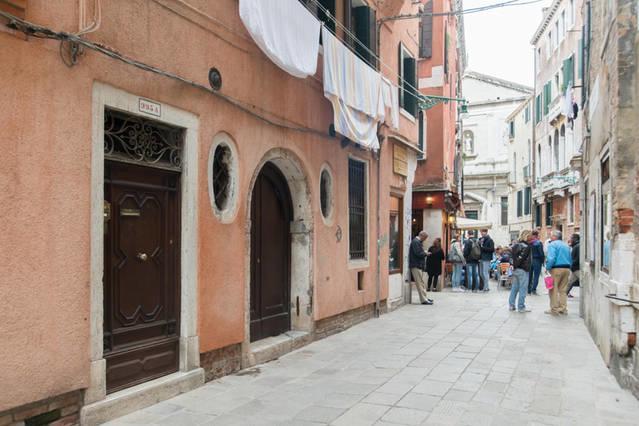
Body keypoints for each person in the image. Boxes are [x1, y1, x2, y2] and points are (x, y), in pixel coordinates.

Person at [545, 230, 572, 315]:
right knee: (563, 290)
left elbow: (551, 258)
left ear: (555, 237)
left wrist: (548, 267)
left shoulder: (552, 244)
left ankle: (554, 309)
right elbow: (570, 258)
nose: (550, 237)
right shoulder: (566, 245)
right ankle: (563, 308)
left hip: (556, 268)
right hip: (567, 268)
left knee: (553, 290)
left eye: (551, 235)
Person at [509, 230, 532, 312]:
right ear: (527, 236)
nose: (532, 237)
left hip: (515, 269)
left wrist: (513, 266)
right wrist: (516, 265)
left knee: (514, 288)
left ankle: (511, 305)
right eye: (530, 235)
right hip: (523, 269)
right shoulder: (526, 246)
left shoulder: (515, 245)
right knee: (523, 288)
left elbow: (511, 256)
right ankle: (521, 306)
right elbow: (521, 258)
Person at [409, 231, 433, 305]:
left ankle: (425, 297)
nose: (425, 240)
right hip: (416, 265)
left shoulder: (417, 242)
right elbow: (418, 253)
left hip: (418, 265)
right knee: (419, 283)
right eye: (425, 238)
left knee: (421, 283)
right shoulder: (416, 242)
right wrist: (425, 253)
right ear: (421, 236)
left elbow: (418, 252)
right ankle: (423, 299)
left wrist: (424, 252)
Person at [528, 230, 545, 295]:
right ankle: (533, 289)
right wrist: (542, 261)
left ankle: (529, 289)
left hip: (530, 260)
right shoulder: (538, 243)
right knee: (536, 276)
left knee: (529, 275)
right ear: (537, 235)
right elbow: (541, 253)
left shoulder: (529, 242)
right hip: (537, 260)